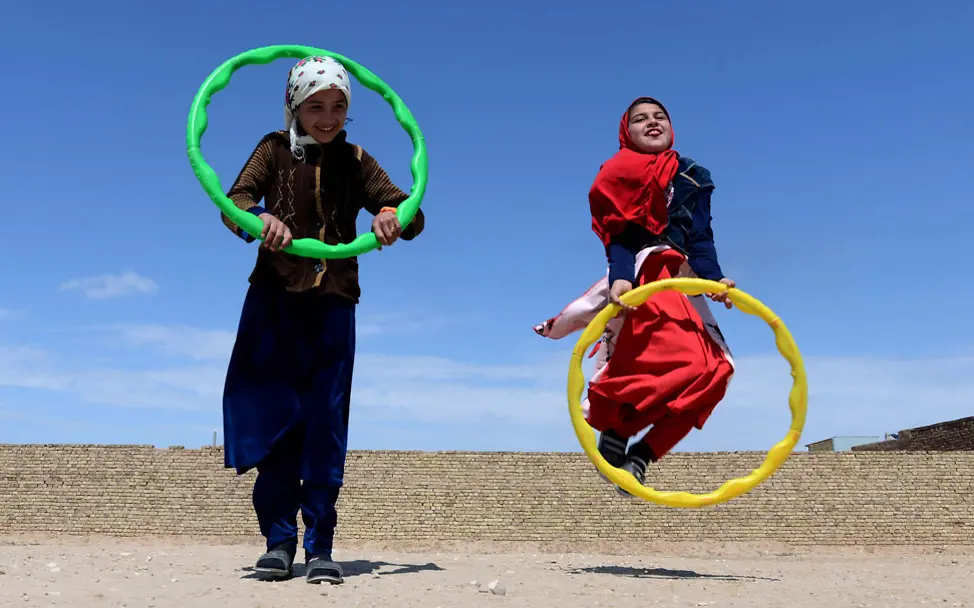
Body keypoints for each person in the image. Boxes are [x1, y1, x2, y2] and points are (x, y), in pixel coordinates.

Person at [219, 55, 425, 583]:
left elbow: (411, 210)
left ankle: (320, 547)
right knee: (274, 414)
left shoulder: (356, 160)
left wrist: (389, 217)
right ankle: (278, 542)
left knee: (324, 419)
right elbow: (233, 200)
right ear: (294, 105)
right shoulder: (271, 148)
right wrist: (258, 217)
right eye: (316, 106)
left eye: (338, 108)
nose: (328, 117)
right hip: (273, 298)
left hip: (334, 301)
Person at [533, 96, 734, 497]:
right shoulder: (619, 171)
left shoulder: (694, 175)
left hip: (680, 278)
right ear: (627, 132)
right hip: (646, 272)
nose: (652, 122)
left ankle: (638, 454)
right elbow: (620, 236)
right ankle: (619, 427)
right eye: (640, 119)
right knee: (677, 360)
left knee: (716, 372)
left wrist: (714, 279)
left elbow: (701, 237)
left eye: (660, 116)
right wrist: (623, 279)